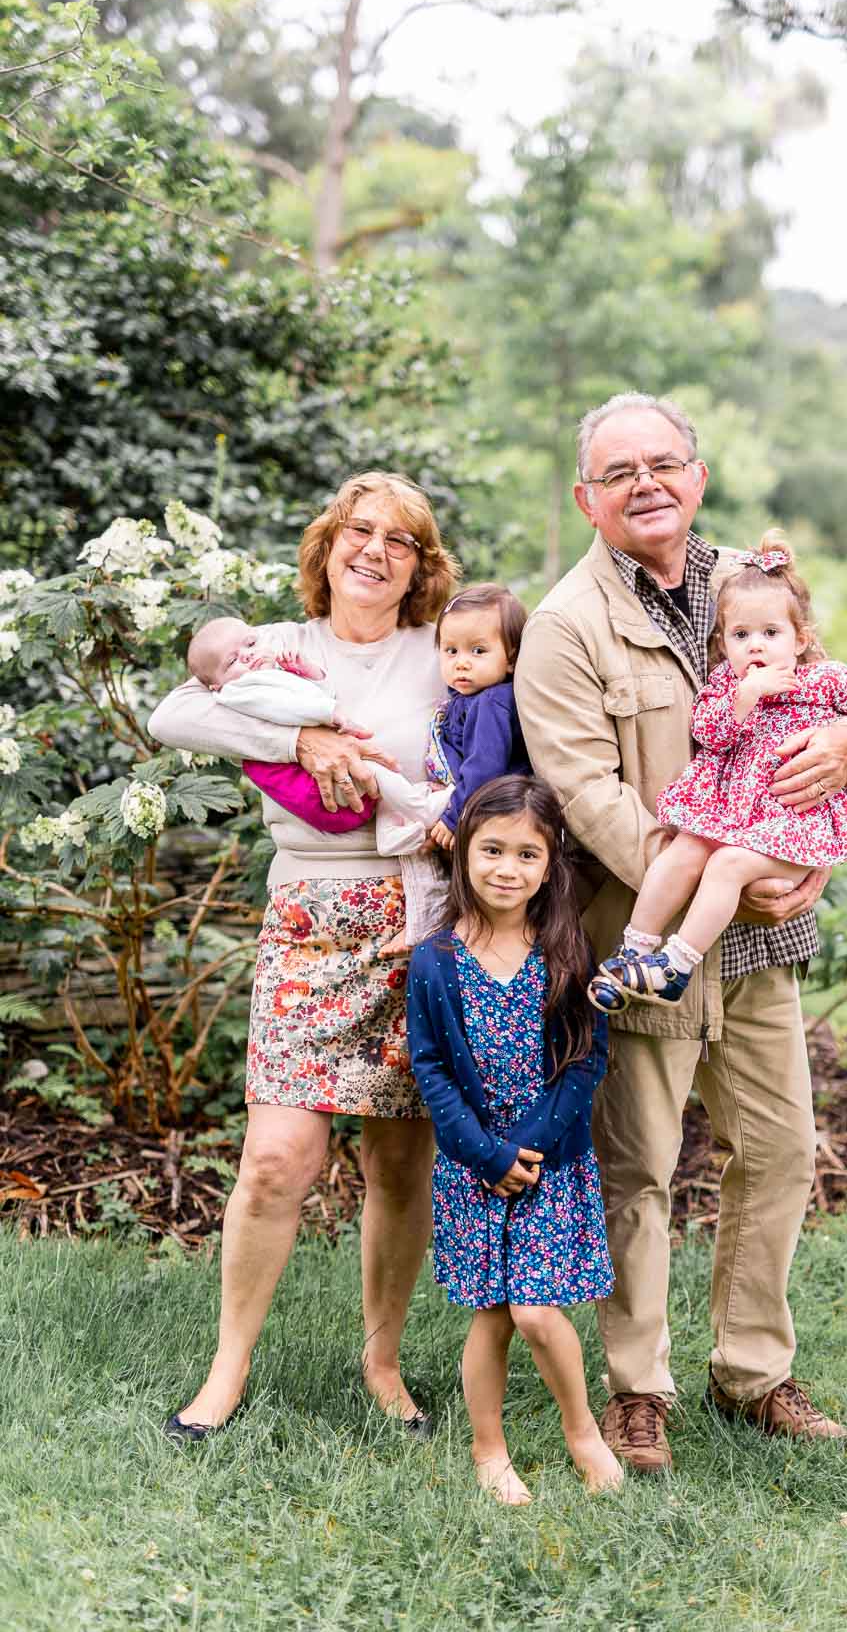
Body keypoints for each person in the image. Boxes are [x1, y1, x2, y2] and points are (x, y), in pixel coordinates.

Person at [514, 392, 847, 1475]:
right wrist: (715, 870)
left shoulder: (753, 586)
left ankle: (755, 1372)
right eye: (619, 473)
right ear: (588, 498)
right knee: (640, 1170)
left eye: (662, 464)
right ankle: (639, 1391)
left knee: (782, 1151)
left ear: (697, 477)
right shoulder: (568, 626)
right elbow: (587, 794)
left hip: (761, 943)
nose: (645, 485)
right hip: (646, 948)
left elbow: (819, 699)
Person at [148, 470, 458, 1441]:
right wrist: (304, 727)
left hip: (416, 918)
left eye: (398, 540)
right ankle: (226, 1368)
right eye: (357, 531)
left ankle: (383, 1362)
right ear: (327, 547)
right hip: (309, 917)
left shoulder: (437, 655)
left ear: (420, 567)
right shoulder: (281, 647)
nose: (374, 550)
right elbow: (174, 715)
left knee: (401, 1162)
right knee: (279, 1158)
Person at [406, 775, 621, 1504]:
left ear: (550, 862)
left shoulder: (563, 948)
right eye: (492, 849)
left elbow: (588, 1054)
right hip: (475, 1166)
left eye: (527, 855)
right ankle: (488, 1449)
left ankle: (582, 1431)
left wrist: (529, 1145)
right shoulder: (436, 960)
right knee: (492, 1314)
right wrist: (486, 1154)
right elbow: (431, 1066)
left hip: (550, 1162)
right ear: (464, 851)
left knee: (535, 1308)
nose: (507, 869)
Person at [589, 532, 847, 1011]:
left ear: (800, 638)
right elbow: (710, 733)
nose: (755, 647)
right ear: (724, 642)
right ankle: (632, 951)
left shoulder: (826, 679)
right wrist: (746, 696)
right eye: (741, 636)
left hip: (793, 822)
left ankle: (676, 966)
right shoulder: (727, 683)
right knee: (686, 849)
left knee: (727, 864)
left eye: (771, 634)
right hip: (733, 813)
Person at [187, 615, 454, 948]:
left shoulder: (442, 640)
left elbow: (306, 691)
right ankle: (423, 808)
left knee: (377, 786)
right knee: (374, 771)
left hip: (404, 885)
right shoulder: (242, 688)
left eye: (251, 645)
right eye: (232, 661)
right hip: (313, 854)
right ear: (216, 683)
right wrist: (323, 724)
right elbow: (286, 707)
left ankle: (400, 832)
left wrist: (304, 672)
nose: (247, 655)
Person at [422, 582, 532, 854]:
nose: (461, 662)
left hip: (494, 813)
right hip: (479, 810)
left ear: (511, 659)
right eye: (451, 650)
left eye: (478, 651)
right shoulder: (466, 700)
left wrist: (455, 815)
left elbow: (484, 766)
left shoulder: (492, 703)